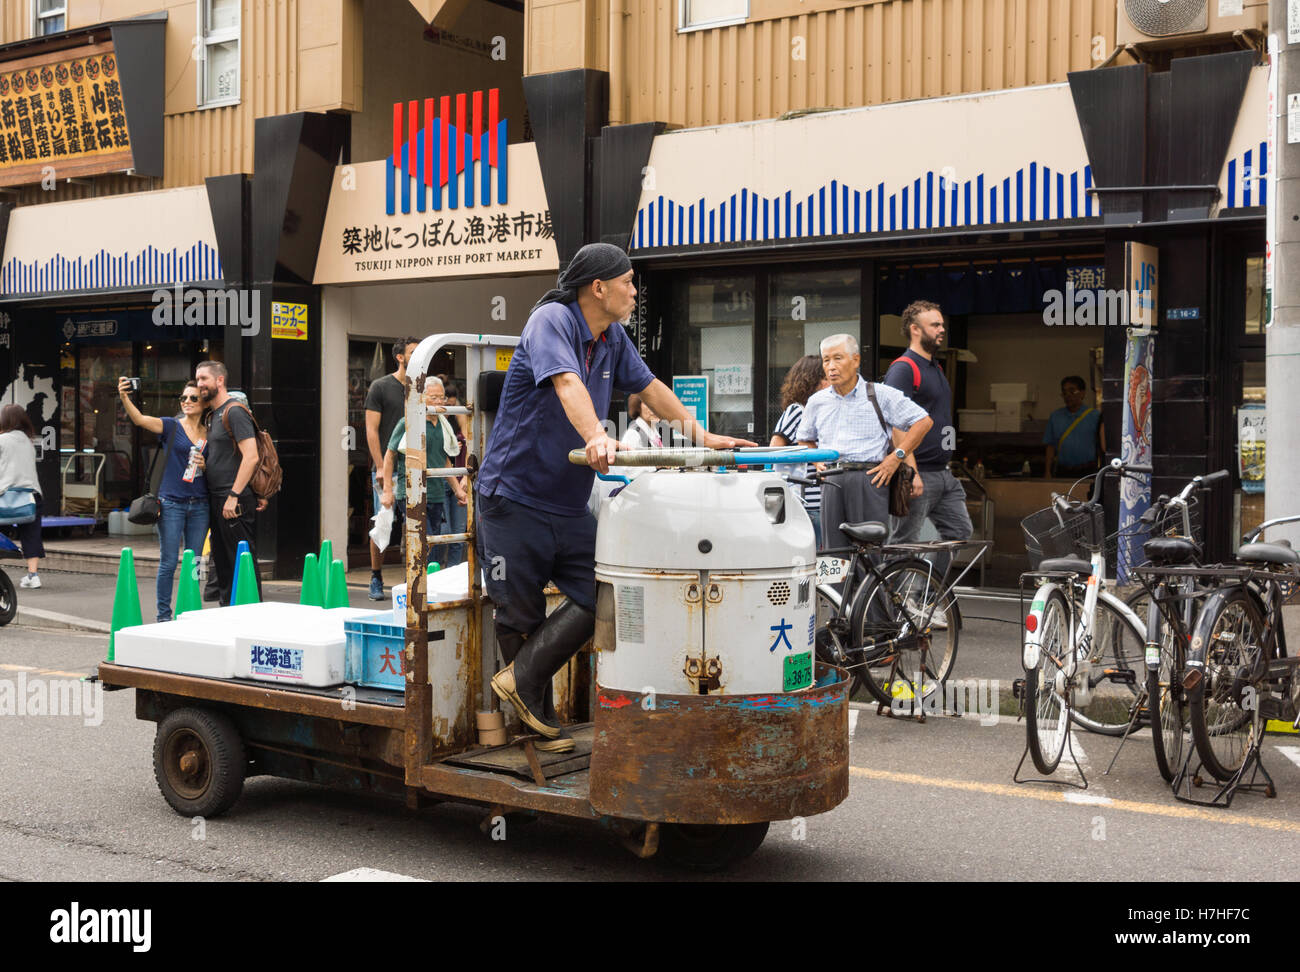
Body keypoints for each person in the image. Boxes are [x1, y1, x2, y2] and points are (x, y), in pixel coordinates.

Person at [476, 242, 752, 752]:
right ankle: (535, 722)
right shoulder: (551, 321)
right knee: (519, 615)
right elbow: (565, 383)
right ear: (597, 287)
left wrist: (703, 436)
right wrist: (596, 436)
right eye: (627, 282)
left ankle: (522, 685)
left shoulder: (612, 337)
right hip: (513, 497)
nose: (634, 290)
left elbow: (651, 388)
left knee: (607, 588)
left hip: (566, 502)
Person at [796, 334, 932, 557]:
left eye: (838, 358)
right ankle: (838, 593)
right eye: (826, 360)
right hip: (831, 478)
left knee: (869, 551)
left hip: (869, 476)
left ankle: (874, 592)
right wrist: (817, 459)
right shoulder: (817, 401)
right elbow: (804, 438)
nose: (831, 367)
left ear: (856, 360)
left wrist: (895, 457)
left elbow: (923, 421)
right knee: (833, 552)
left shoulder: (880, 394)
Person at [883, 301, 973, 571]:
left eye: (942, 324)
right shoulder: (903, 369)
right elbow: (896, 426)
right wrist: (911, 471)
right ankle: (895, 604)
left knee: (959, 532)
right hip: (918, 471)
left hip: (943, 473)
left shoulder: (935, 367)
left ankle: (929, 595)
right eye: (935, 325)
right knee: (904, 543)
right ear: (915, 329)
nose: (941, 329)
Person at [118, 378, 211, 622]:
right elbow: (139, 420)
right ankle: (164, 616)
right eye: (183, 398)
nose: (187, 402)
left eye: (193, 398)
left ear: (204, 403)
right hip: (171, 502)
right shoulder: (171, 425)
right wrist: (125, 397)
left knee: (196, 562)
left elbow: (221, 466)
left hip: (201, 503)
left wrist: (206, 464)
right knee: (168, 562)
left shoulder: (211, 432)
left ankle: (190, 610)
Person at [195, 360, 266, 606]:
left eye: (204, 378)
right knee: (223, 564)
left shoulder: (233, 411)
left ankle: (251, 616)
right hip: (217, 497)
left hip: (233, 499)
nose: (199, 384)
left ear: (220, 380)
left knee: (242, 561)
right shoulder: (213, 415)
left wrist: (234, 495)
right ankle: (228, 615)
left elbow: (252, 456)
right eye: (198, 379)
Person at [381, 376, 466, 563]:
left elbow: (443, 461)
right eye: (433, 397)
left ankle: (419, 587)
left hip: (436, 493)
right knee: (423, 541)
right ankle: (414, 588)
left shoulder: (443, 424)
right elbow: (389, 455)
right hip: (411, 491)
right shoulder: (408, 422)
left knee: (432, 544)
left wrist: (458, 490)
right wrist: (388, 491)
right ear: (421, 397)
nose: (438, 402)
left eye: (441, 398)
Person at [365, 336, 420, 600]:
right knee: (383, 523)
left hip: (418, 469)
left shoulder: (422, 386)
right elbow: (371, 430)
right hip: (389, 469)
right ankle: (376, 577)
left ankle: (416, 580)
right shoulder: (381, 386)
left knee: (417, 525)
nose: (419, 355)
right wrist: (379, 467)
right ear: (400, 357)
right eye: (414, 352)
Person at [770, 355, 829, 548]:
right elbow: (775, 448)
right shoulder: (798, 411)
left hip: (822, 499)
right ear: (814, 381)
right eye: (826, 377)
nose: (831, 382)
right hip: (807, 501)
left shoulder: (823, 411)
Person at [0, 404, 44, 589]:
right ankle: (33, 576)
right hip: (31, 496)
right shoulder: (29, 441)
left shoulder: (1, 440)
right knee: (32, 534)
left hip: (5, 495)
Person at [1044, 375, 1104, 479]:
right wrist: (1047, 471)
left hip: (1088, 471)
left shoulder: (1094, 416)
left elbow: (1101, 446)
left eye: (1072, 391)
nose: (1067, 396)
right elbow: (1050, 446)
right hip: (1063, 471)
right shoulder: (1055, 416)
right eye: (1064, 392)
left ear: (1082, 393)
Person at [439, 379, 470, 568]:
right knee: (444, 530)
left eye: (451, 402)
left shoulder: (461, 416)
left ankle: (451, 571)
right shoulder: (434, 417)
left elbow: (471, 442)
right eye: (442, 399)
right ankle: (436, 571)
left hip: (460, 477)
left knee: (459, 532)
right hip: (442, 478)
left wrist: (466, 476)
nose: (446, 404)